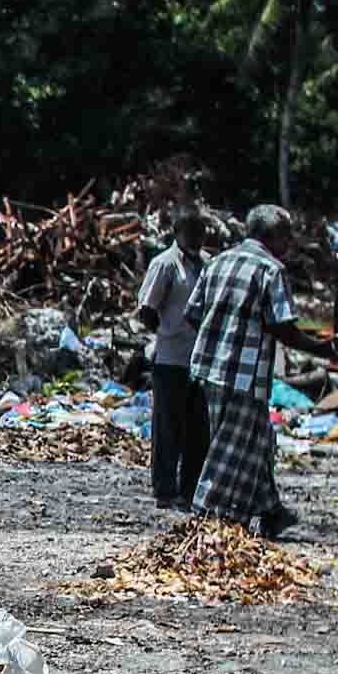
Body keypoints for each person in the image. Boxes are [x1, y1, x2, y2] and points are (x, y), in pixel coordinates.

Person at [185, 204, 338, 538]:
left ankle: (271, 510)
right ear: (272, 236)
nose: (289, 244)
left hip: (209, 367)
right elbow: (283, 327)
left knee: (257, 440)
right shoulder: (271, 270)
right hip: (244, 374)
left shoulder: (217, 262)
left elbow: (192, 314)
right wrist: (322, 349)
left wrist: (220, 332)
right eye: (286, 236)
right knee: (228, 448)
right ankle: (206, 516)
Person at [133, 212, 213, 509]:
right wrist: (166, 331)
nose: (196, 238)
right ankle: (165, 489)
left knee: (197, 429)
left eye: (200, 232)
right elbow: (147, 309)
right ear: (177, 232)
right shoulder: (166, 264)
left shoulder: (206, 263)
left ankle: (190, 489)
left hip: (199, 358)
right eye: (191, 231)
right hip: (170, 357)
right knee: (168, 427)